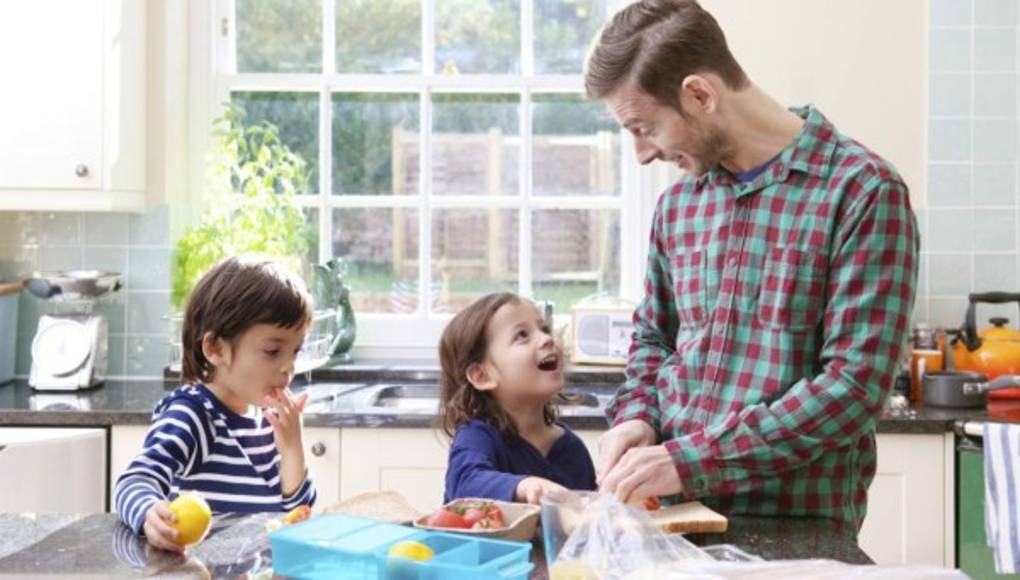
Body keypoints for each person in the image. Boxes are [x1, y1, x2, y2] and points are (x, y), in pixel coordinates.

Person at [586, 0, 918, 528]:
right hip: (668, 521)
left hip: (793, 528)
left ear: (700, 95)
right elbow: (653, 338)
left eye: (644, 128)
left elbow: (853, 388)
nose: (641, 154)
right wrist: (637, 418)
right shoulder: (680, 203)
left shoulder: (862, 191)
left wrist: (689, 463)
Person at [114, 256, 317, 553]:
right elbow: (134, 482)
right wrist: (149, 514)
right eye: (273, 351)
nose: (289, 367)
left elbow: (298, 518)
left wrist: (292, 449)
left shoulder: (266, 417)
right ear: (215, 349)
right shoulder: (194, 414)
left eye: (295, 351)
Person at [439, 292, 597, 504]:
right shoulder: (477, 437)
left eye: (544, 329)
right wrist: (524, 486)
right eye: (522, 335)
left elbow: (584, 522)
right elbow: (465, 483)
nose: (547, 338)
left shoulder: (571, 448)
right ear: (482, 376)